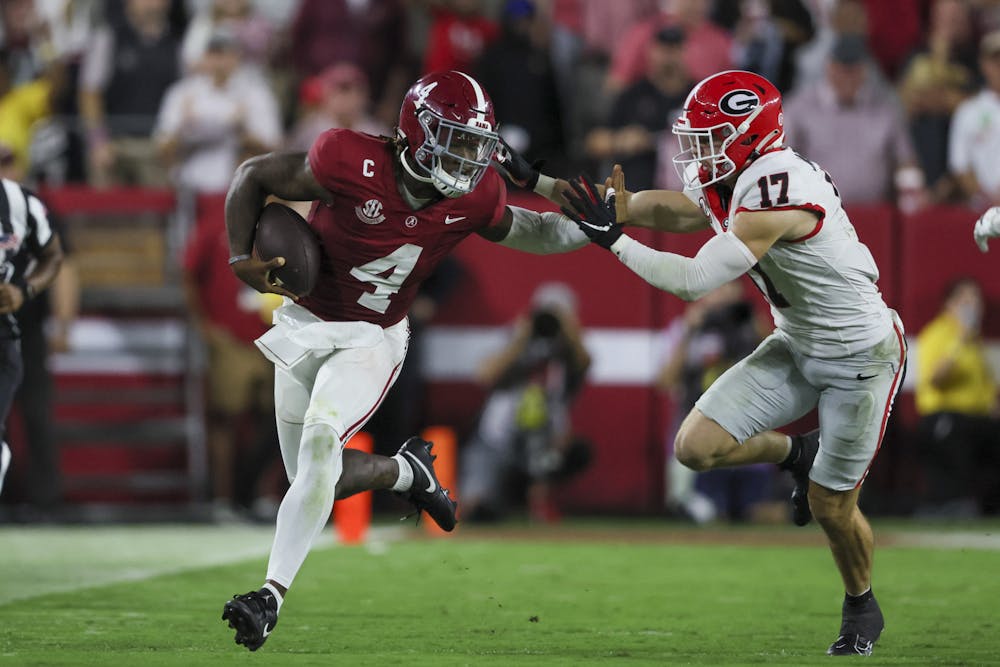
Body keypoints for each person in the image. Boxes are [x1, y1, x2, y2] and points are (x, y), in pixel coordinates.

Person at [220, 70, 591, 651]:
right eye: (456, 139)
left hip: (373, 335)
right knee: (312, 480)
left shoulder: (475, 195)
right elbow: (251, 176)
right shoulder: (345, 157)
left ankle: (269, 595)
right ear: (418, 131)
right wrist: (240, 256)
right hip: (305, 322)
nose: (469, 158)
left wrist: (599, 230)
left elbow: (533, 232)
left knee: (320, 448)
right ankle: (407, 473)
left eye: (477, 144)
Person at [543, 70, 905, 656]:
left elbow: (693, 280)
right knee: (695, 447)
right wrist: (622, 206)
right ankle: (797, 451)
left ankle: (861, 602)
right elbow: (689, 213)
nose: (697, 149)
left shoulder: (775, 186)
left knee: (830, 506)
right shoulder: (738, 179)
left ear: (750, 136)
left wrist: (614, 239)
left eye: (711, 137)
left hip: (860, 356)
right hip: (798, 343)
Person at [460, 281, 592, 523]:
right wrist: (521, 337)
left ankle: (538, 497)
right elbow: (486, 374)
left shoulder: (569, 351)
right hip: (498, 437)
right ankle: (499, 499)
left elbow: (585, 363)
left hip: (545, 440)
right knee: (478, 509)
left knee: (576, 450)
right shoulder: (515, 338)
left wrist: (569, 331)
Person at [0, 175, 65, 497]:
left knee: (35, 414)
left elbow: (55, 256)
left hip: (16, 329)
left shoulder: (19, 202)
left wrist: (24, 290)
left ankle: (44, 500)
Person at [914, 277, 999, 517]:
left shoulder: (975, 342)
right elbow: (936, 379)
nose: (973, 306)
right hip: (944, 417)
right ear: (949, 305)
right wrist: (958, 341)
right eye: (965, 300)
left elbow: (984, 388)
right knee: (956, 435)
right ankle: (949, 505)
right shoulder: (938, 334)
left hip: (977, 419)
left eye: (976, 300)